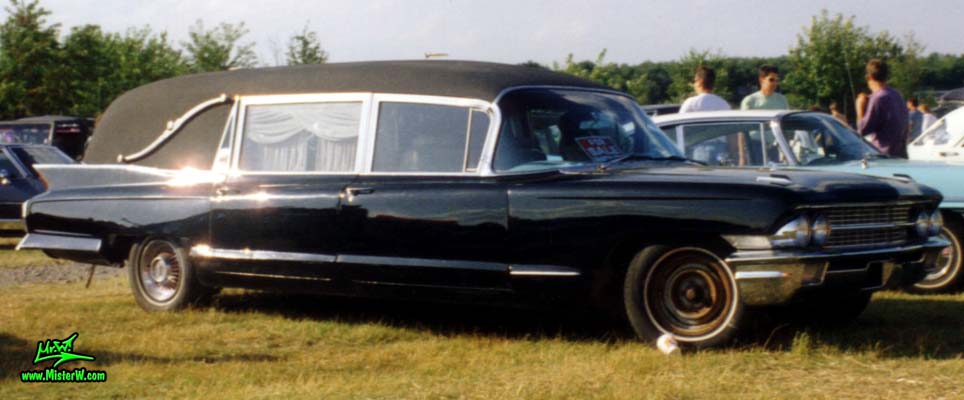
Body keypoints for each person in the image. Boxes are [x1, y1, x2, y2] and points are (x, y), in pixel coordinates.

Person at [856, 59, 908, 158]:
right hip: (901, 155)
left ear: (868, 77)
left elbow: (862, 130)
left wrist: (860, 107)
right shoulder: (897, 95)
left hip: (884, 157)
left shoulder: (877, 98)